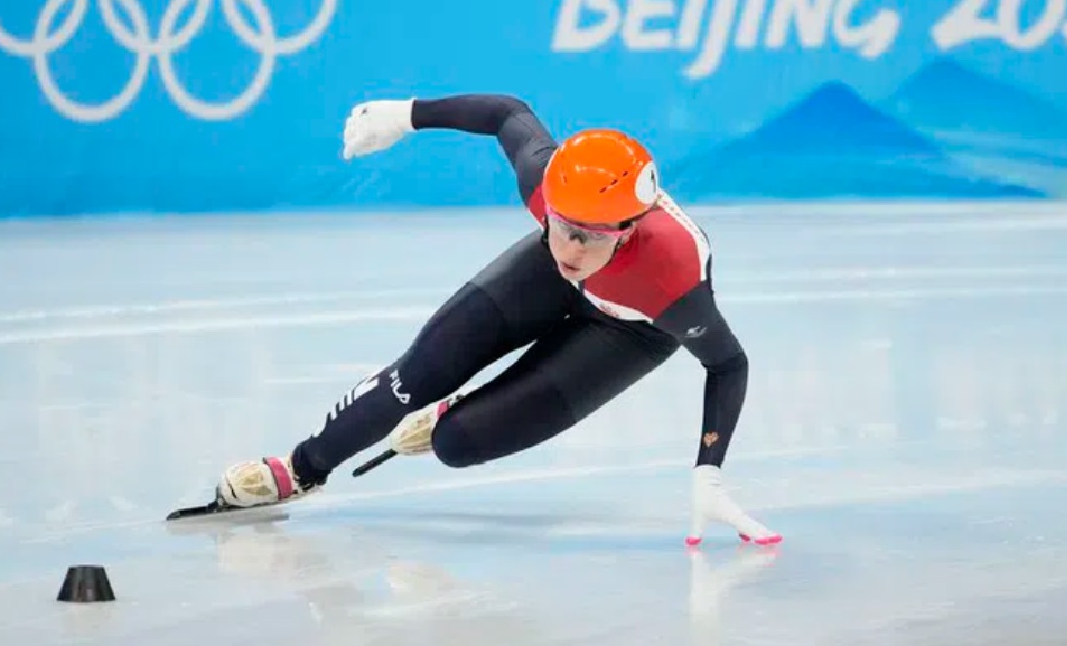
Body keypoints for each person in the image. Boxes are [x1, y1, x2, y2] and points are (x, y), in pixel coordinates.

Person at [215, 94, 780, 546]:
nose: (571, 247)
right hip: (546, 279)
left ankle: (452, 415)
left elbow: (728, 364)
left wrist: (708, 469)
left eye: (588, 237)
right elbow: (506, 112)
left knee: (457, 443)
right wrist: (405, 115)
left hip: (631, 329)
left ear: (628, 230)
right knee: (416, 375)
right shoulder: (546, 185)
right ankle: (302, 467)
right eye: (561, 225)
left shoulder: (673, 282)